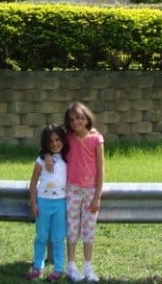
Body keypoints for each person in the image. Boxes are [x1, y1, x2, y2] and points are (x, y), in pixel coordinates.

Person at [47, 102, 105, 282]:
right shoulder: (67, 138)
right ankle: (71, 267)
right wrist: (47, 155)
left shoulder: (97, 139)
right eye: (71, 120)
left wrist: (97, 197)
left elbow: (101, 170)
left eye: (79, 118)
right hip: (72, 190)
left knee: (88, 230)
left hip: (90, 191)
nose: (76, 122)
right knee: (72, 229)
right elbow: (50, 144)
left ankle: (88, 268)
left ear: (86, 117)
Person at [26, 123, 69, 282]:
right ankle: (37, 266)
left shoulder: (67, 158)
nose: (55, 144)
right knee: (41, 237)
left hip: (60, 204)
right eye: (50, 142)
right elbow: (33, 182)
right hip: (43, 203)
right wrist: (33, 203)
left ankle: (58, 269)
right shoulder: (41, 160)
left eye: (58, 139)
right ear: (45, 144)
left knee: (58, 238)